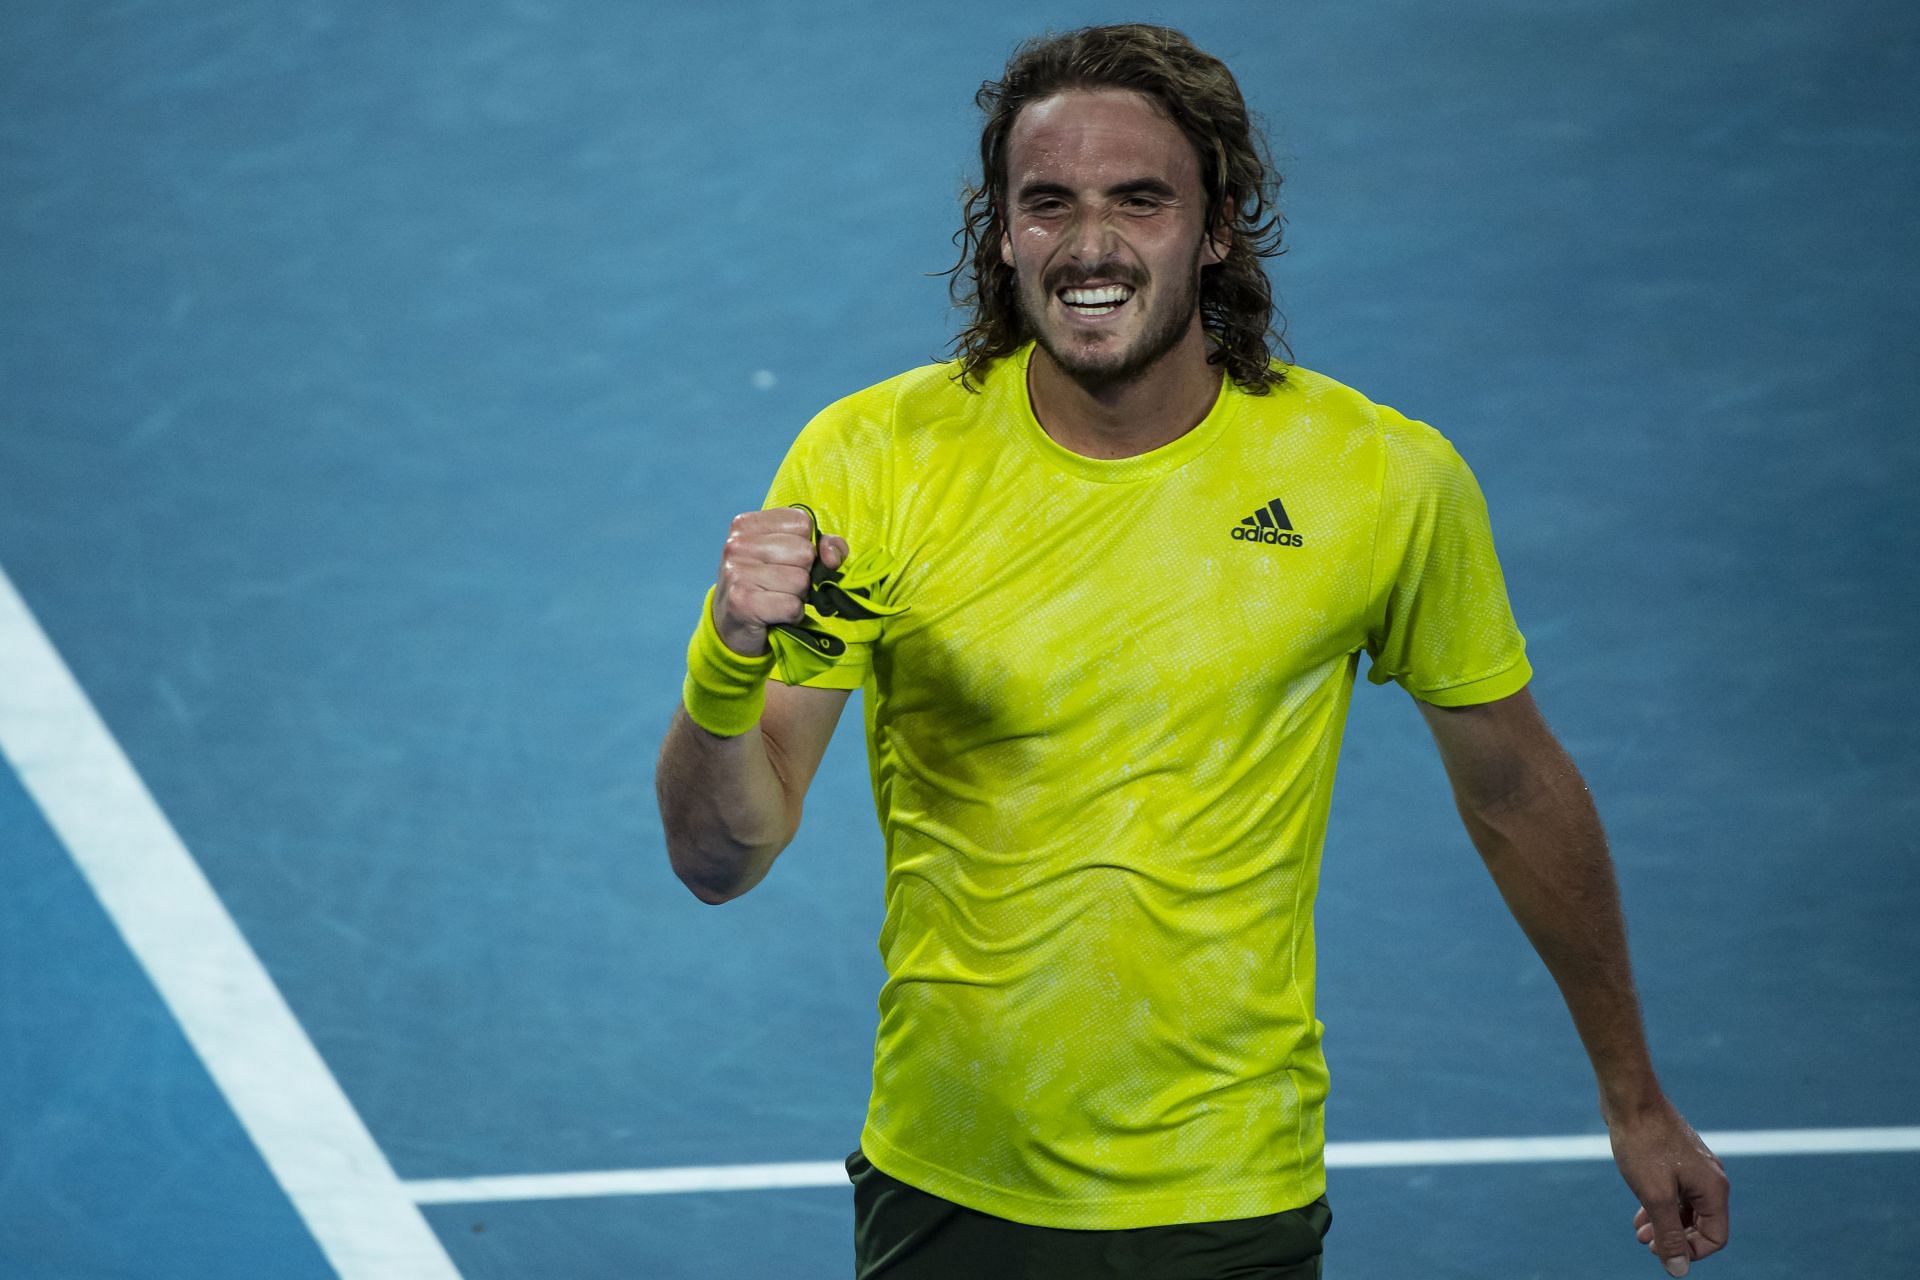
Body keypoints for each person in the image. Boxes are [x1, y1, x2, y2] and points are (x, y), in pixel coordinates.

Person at [655, 22, 1729, 1279]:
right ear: (1001, 232)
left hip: (1231, 1192)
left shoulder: (1381, 480)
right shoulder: (870, 463)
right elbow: (718, 856)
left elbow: (1514, 788)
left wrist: (1635, 1095)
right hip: (948, 1181)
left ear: (1218, 224)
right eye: (1047, 202)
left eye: (1140, 199)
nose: (1091, 243)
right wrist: (728, 654)